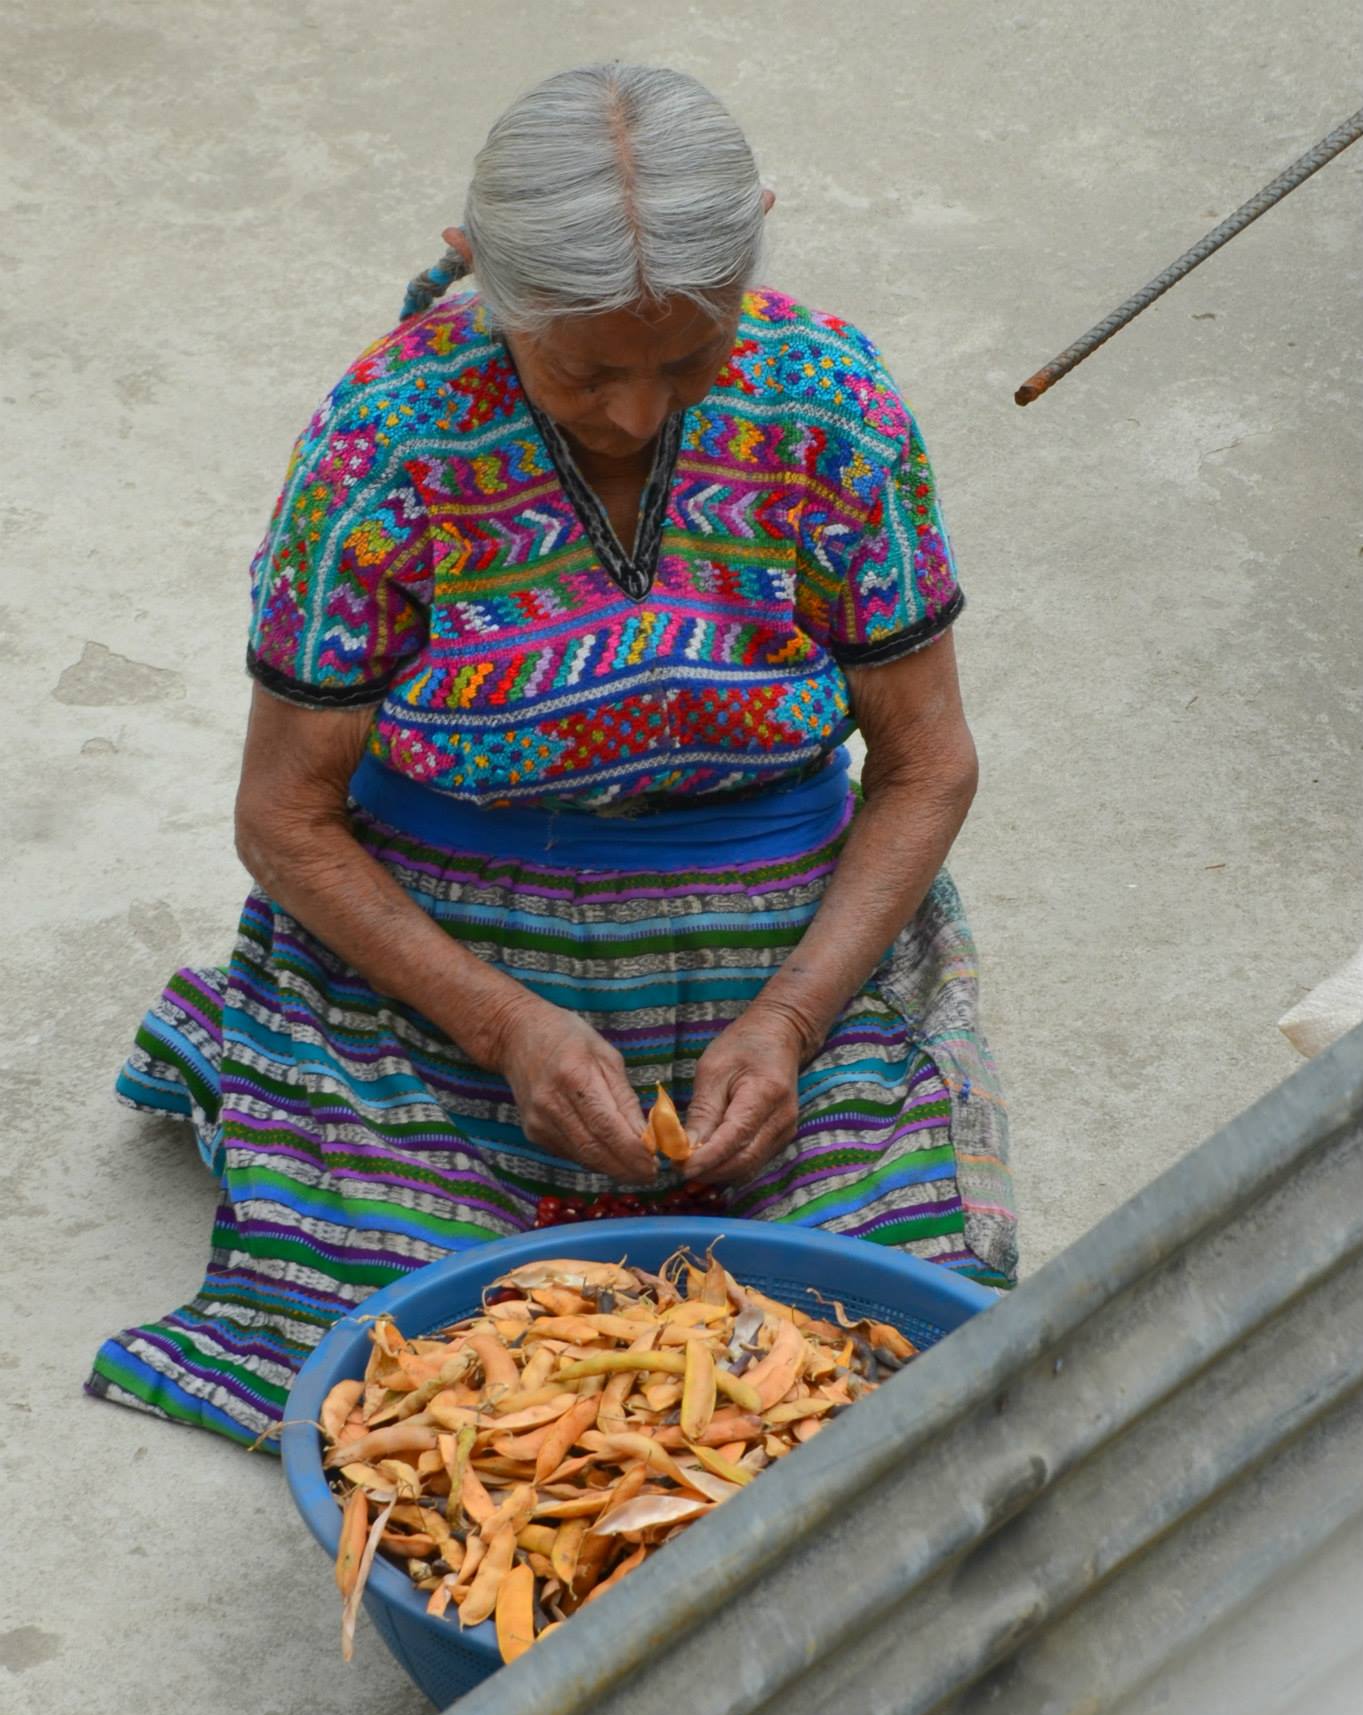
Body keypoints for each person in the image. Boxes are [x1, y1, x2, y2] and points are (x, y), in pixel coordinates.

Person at [90, 61, 1017, 1445]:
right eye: (586, 369)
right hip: (452, 944)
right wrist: (502, 1025)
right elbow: (285, 819)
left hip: (785, 936)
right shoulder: (387, 441)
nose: (638, 412)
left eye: (689, 361)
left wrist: (791, 1019)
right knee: (423, 1372)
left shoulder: (833, 405)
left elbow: (927, 765)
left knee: (871, 1344)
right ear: (487, 285)